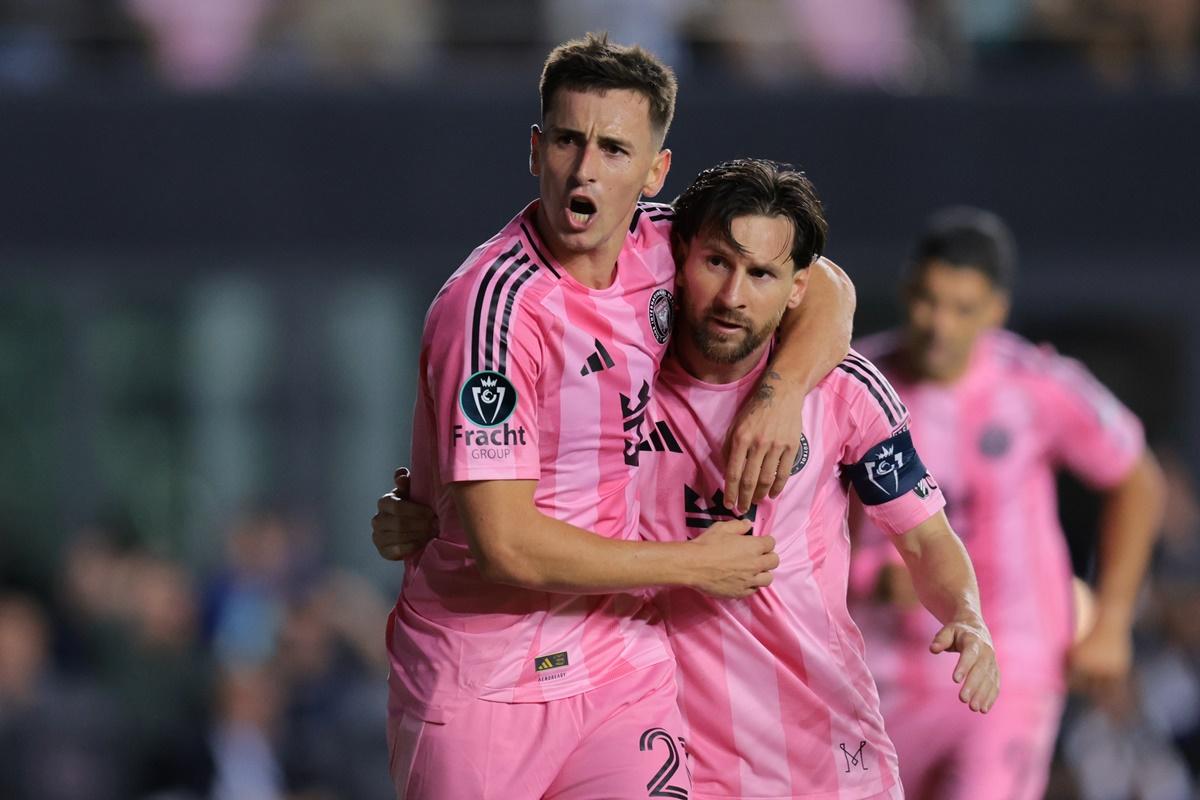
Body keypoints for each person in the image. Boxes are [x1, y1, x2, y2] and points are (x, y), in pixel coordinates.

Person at [380, 159, 1000, 799]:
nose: (734, 296)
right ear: (678, 258)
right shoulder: (623, 383)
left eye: (761, 274)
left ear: (795, 288)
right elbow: (511, 492)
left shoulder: (843, 388)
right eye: (717, 264)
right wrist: (432, 512)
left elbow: (927, 539)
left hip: (830, 756)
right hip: (675, 755)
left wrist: (968, 615)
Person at [383, 35, 856, 799]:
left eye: (613, 148)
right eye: (568, 140)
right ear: (535, 151)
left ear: (655, 171)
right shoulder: (495, 309)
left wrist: (782, 393)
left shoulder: (663, 245)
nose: (586, 169)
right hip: (486, 678)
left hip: (618, 667)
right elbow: (504, 547)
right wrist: (692, 566)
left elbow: (825, 283)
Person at [847, 207, 1166, 800]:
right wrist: (864, 575)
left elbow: (1137, 478)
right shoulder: (855, 384)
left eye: (962, 308)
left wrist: (1114, 619)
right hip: (878, 677)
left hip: (1010, 673)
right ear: (904, 290)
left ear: (995, 310)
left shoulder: (1037, 386)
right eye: (927, 300)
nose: (939, 324)